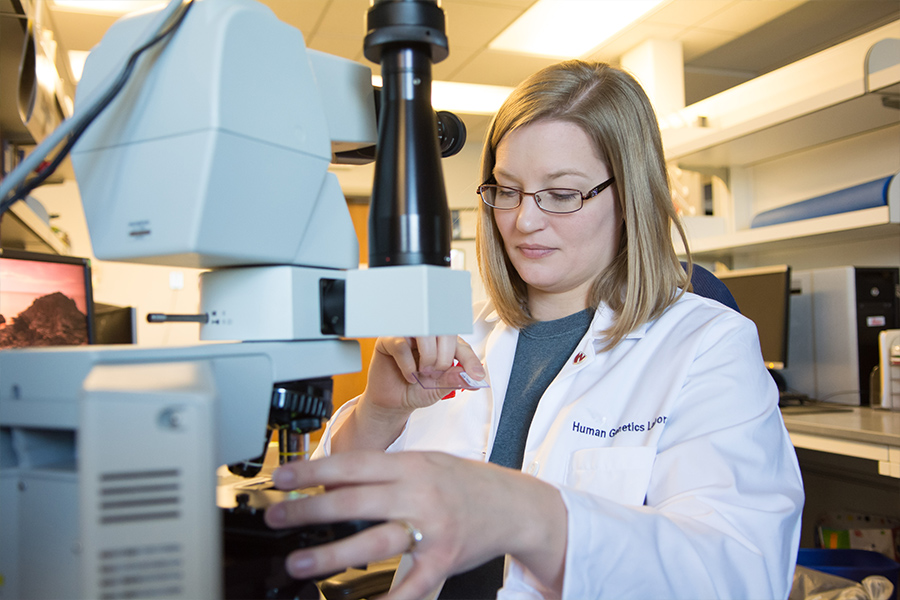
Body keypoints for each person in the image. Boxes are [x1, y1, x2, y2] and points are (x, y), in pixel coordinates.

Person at [263, 60, 805, 600]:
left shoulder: (707, 344)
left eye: (562, 194)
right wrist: (380, 412)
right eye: (507, 189)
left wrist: (527, 514)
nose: (524, 220)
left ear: (630, 195)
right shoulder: (460, 336)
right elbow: (318, 512)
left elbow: (741, 576)